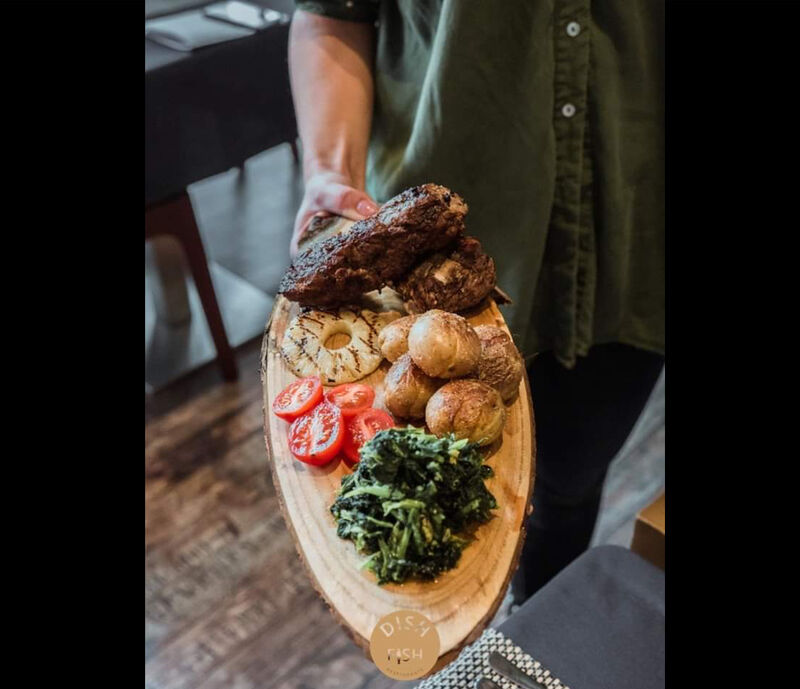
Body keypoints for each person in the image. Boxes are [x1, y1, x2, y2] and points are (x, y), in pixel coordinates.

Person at [287, 1, 665, 603]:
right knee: (422, 497)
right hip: (422, 265)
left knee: (570, 487)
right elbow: (333, 14)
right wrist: (330, 172)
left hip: (635, 246)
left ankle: (529, 626)